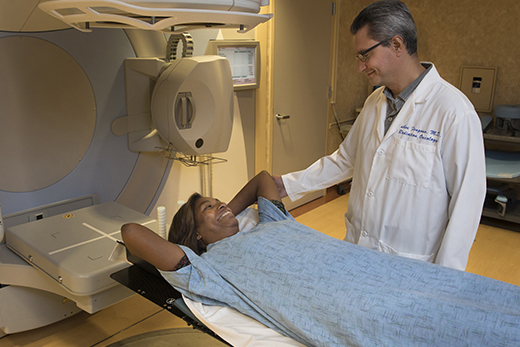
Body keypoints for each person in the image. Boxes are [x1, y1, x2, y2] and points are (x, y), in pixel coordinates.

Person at [122, 171, 520, 347]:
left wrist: (228, 213)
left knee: (455, 288)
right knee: (434, 324)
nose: (223, 204)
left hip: (373, 269)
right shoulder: (209, 268)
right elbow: (131, 234)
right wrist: (197, 240)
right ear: (194, 236)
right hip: (345, 304)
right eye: (209, 208)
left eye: (220, 200)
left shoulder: (270, 220)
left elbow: (263, 178)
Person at [274, 0, 486, 271]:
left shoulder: (453, 111)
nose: (361, 67)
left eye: (365, 55)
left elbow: (466, 204)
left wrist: (444, 281)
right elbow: (345, 160)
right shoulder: (376, 102)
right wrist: (287, 185)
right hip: (357, 251)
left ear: (396, 45)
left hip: (411, 267)